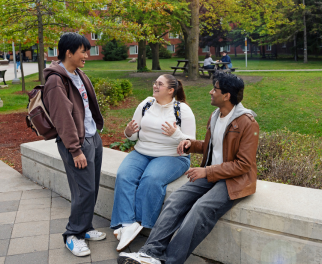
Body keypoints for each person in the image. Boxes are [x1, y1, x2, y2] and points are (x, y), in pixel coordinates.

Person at [118, 72, 259, 264]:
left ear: (226, 96)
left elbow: (243, 165)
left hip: (234, 180)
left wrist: (207, 171)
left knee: (201, 209)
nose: (210, 92)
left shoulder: (247, 123)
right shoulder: (216, 115)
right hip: (212, 174)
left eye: (215, 89)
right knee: (175, 200)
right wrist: (189, 144)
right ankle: (150, 253)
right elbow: (213, 146)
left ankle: (170, 260)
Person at [111, 74, 196, 252]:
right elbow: (133, 134)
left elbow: (191, 143)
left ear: (171, 90)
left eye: (160, 84)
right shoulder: (146, 104)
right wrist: (128, 132)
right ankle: (127, 224)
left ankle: (142, 222)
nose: (155, 86)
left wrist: (176, 135)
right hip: (142, 152)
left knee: (151, 179)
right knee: (124, 175)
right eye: (155, 83)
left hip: (172, 156)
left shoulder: (182, 110)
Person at [43, 32, 106, 257]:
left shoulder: (78, 74)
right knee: (83, 190)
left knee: (92, 187)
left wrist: (95, 133)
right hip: (77, 143)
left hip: (92, 138)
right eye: (82, 51)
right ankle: (73, 235)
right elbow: (63, 119)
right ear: (68, 52)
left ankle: (86, 227)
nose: (86, 55)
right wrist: (75, 149)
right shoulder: (55, 81)